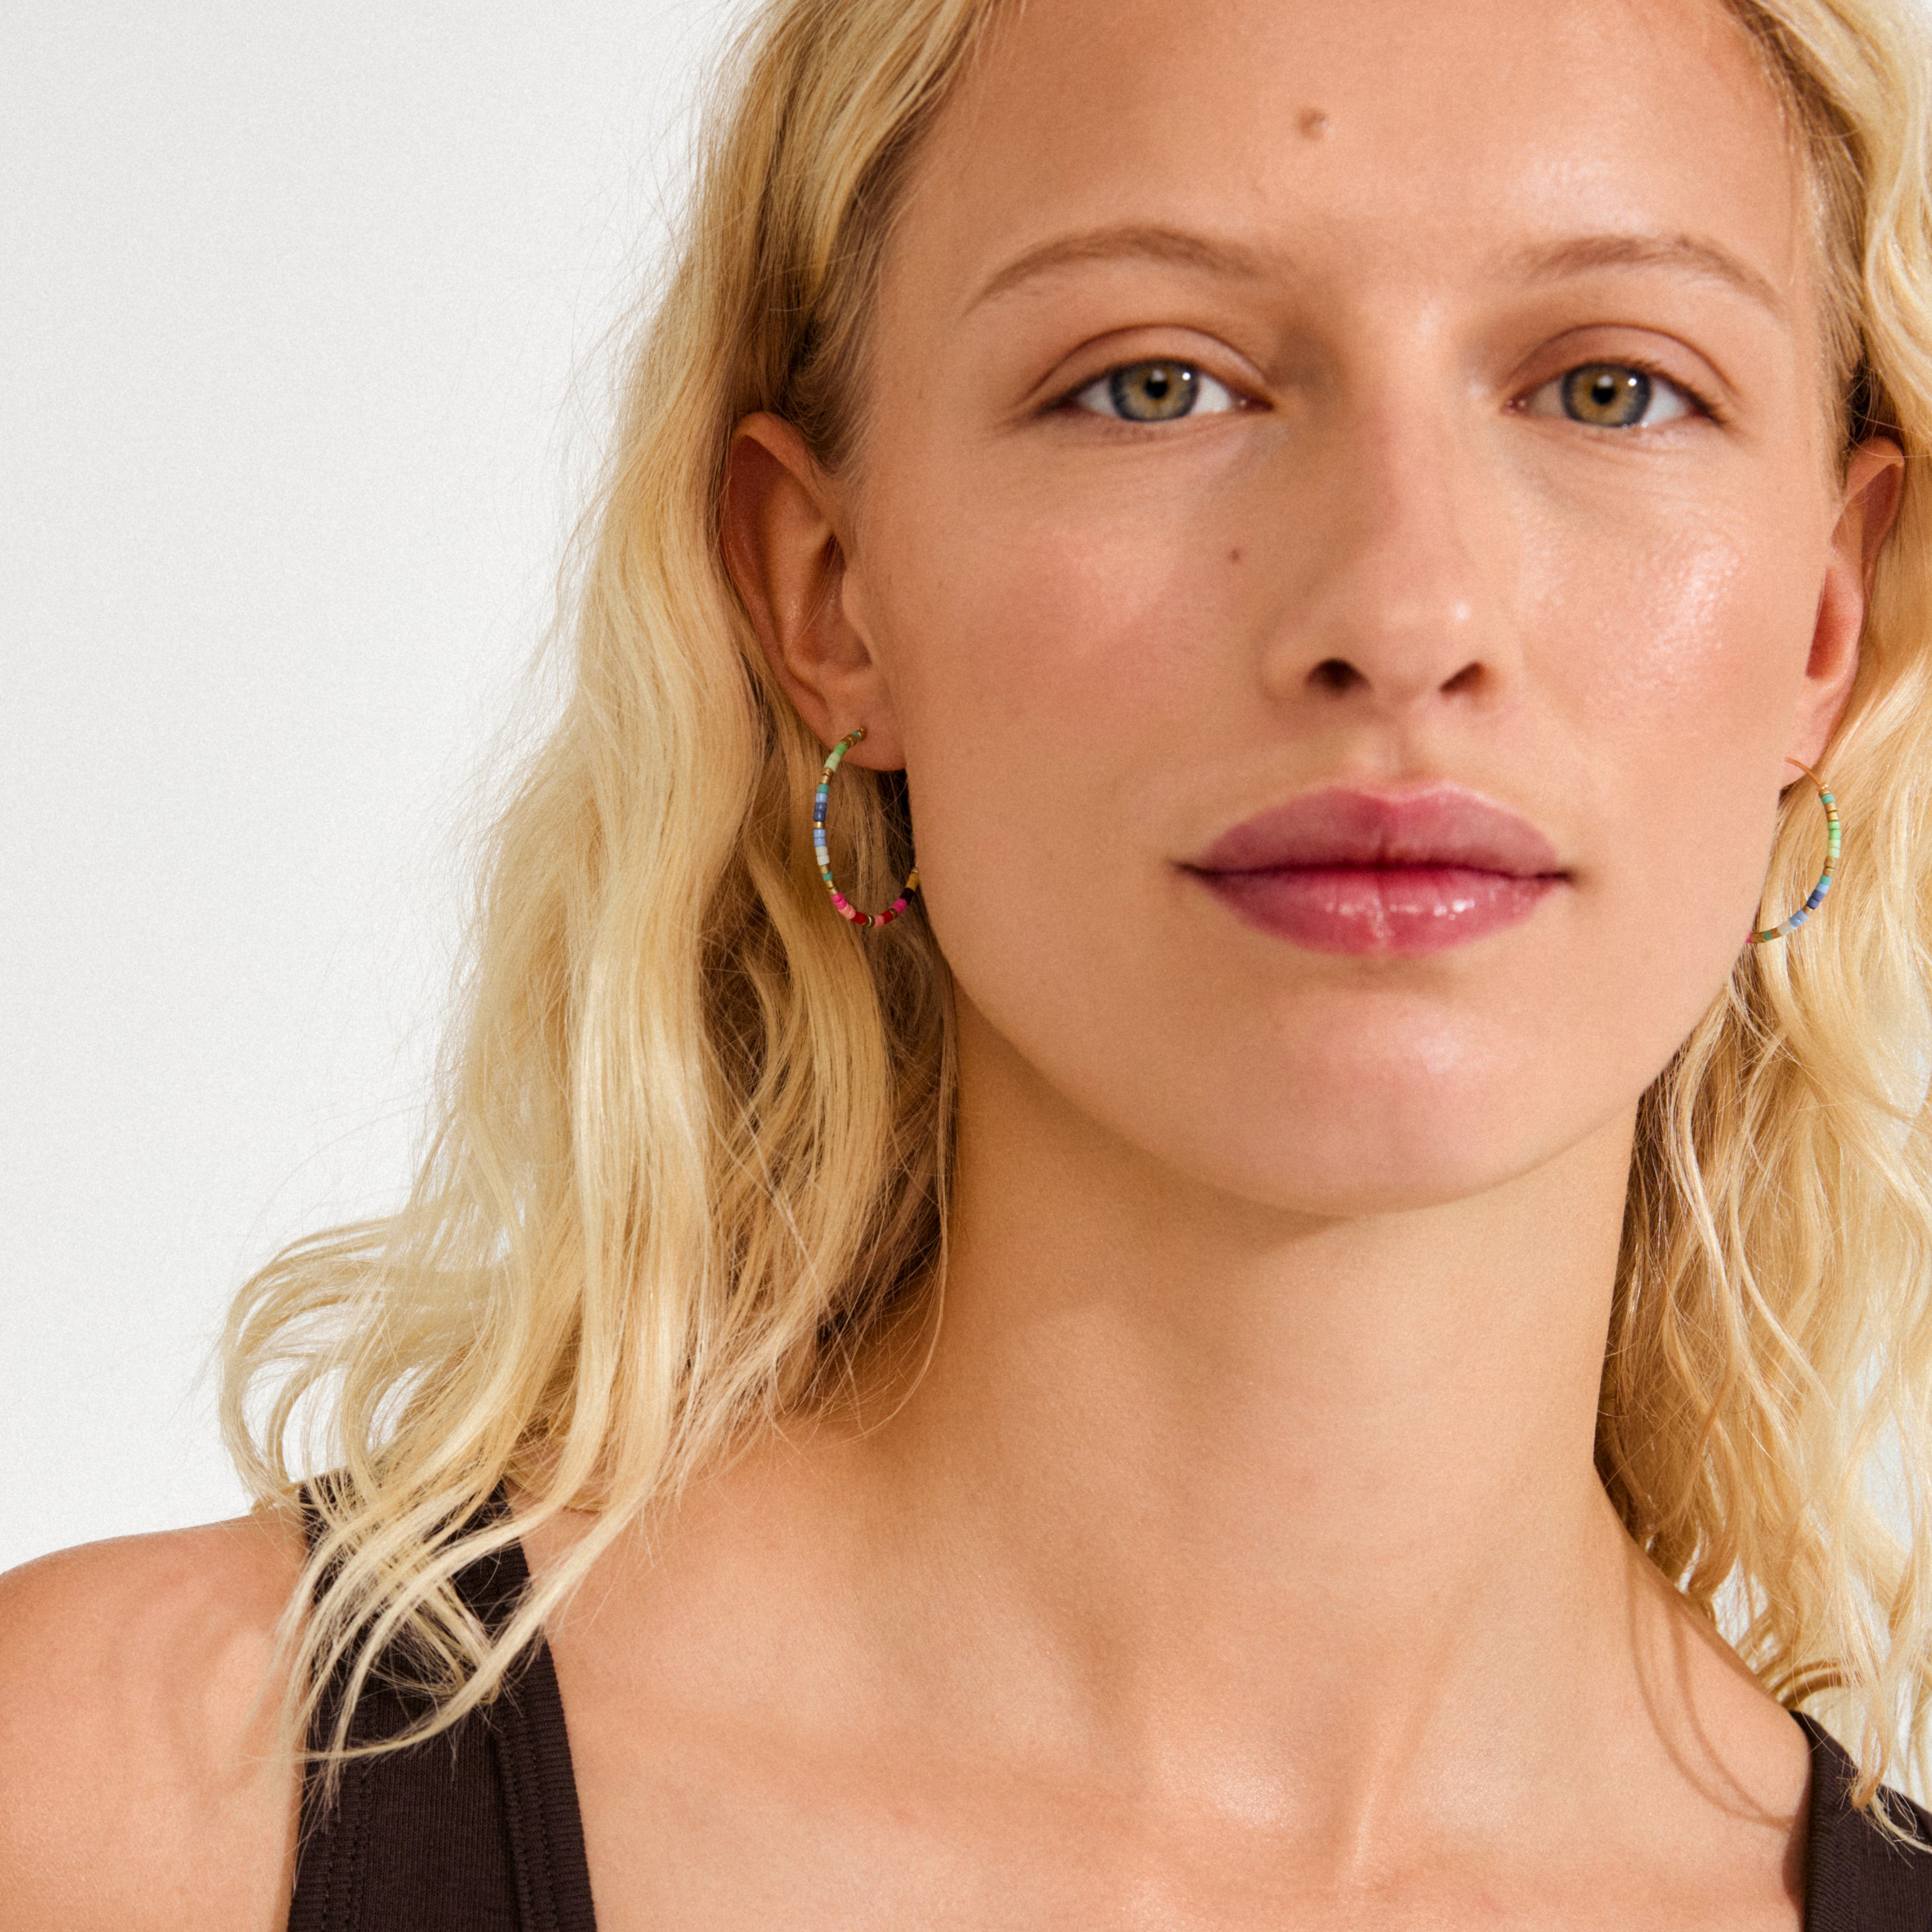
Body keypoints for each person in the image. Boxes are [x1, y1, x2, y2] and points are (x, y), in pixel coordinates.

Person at [7, 0, 1932, 1922]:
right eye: (1154, 385)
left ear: (1827, 618)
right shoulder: (124, 1812)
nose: (1402, 610)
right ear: (824, 588)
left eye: (1611, 388)